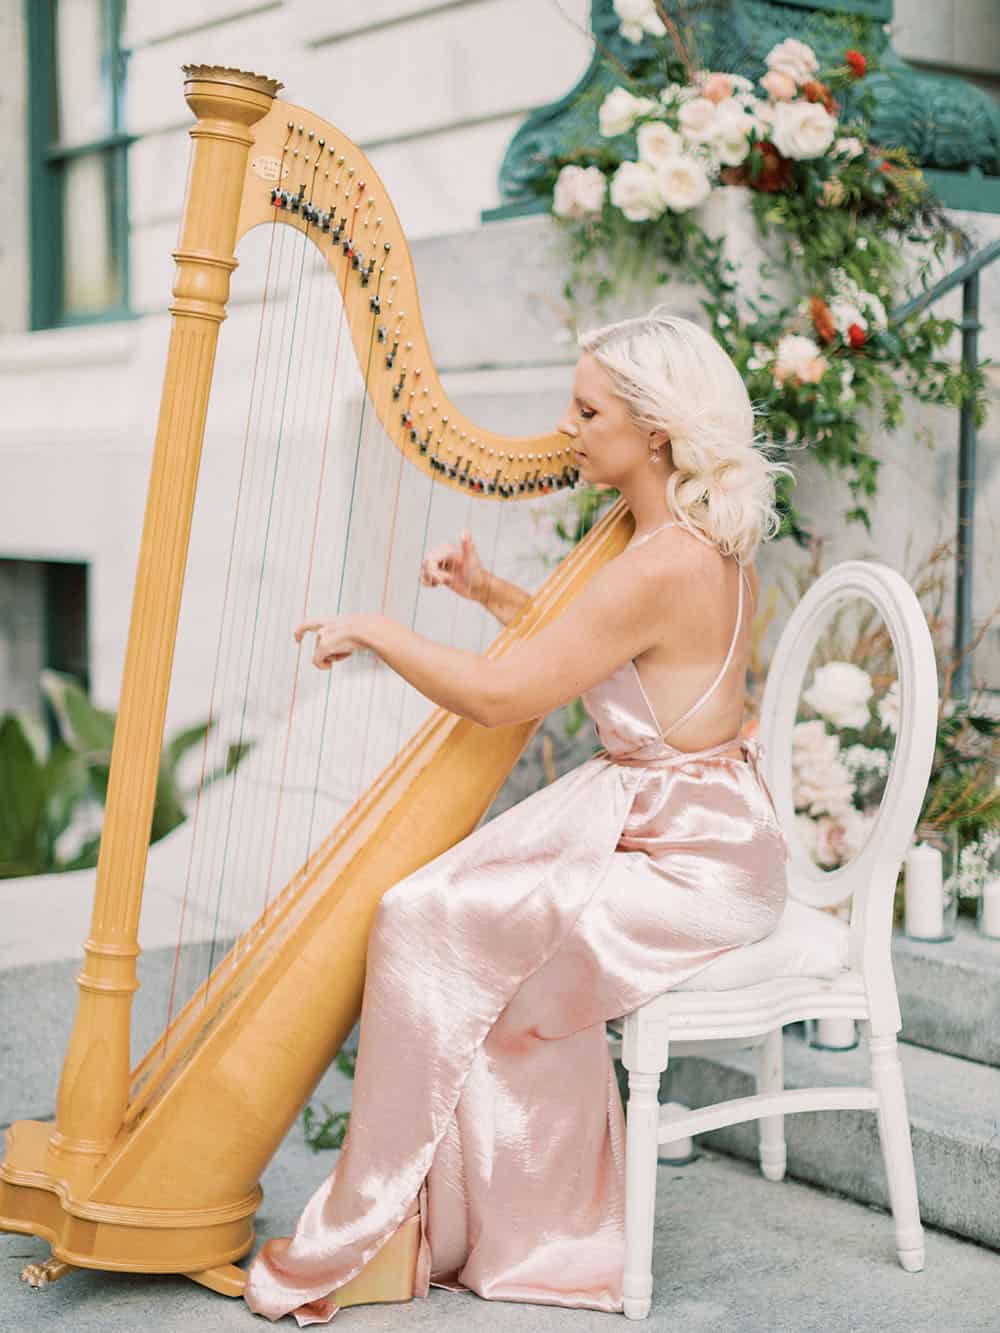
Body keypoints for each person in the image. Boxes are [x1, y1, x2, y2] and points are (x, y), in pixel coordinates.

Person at [243, 310, 793, 1324]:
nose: (565, 428)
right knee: (442, 916)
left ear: (656, 432)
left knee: (432, 924)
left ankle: (443, 1231)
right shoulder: (660, 535)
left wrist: (374, 629)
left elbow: (505, 698)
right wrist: (493, 591)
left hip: (695, 859)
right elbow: (598, 647)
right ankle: (461, 1226)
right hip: (674, 817)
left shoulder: (664, 561)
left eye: (587, 410)